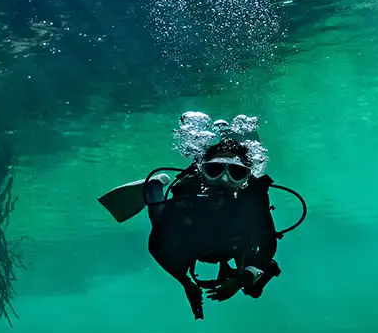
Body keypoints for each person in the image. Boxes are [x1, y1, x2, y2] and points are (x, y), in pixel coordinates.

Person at [97, 113, 300, 319]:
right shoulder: (189, 193)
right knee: (161, 219)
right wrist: (185, 282)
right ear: (203, 172)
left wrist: (242, 280)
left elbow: (267, 246)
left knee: (254, 288)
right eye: (214, 170)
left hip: (228, 247)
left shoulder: (253, 197)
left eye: (236, 173)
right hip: (197, 244)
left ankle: (155, 190)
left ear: (246, 178)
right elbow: (158, 244)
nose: (223, 179)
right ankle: (154, 188)